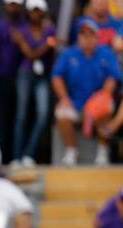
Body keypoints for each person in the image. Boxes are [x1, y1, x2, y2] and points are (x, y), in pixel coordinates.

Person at [51, 18, 120, 165]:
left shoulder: (106, 53)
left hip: (96, 102)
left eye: (91, 34)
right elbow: (56, 76)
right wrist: (64, 98)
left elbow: (113, 78)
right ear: (78, 37)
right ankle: (71, 152)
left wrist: (101, 98)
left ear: (97, 36)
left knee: (105, 106)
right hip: (76, 103)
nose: (87, 38)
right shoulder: (68, 54)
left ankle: (102, 151)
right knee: (61, 111)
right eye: (84, 34)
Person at [12, 0, 56, 167]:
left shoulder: (50, 29)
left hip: (42, 75)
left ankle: (29, 154)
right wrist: (46, 45)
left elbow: (52, 50)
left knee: (43, 114)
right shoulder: (22, 29)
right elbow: (29, 54)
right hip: (25, 74)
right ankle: (17, 156)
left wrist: (47, 46)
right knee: (21, 115)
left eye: (38, 11)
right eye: (33, 11)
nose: (35, 14)